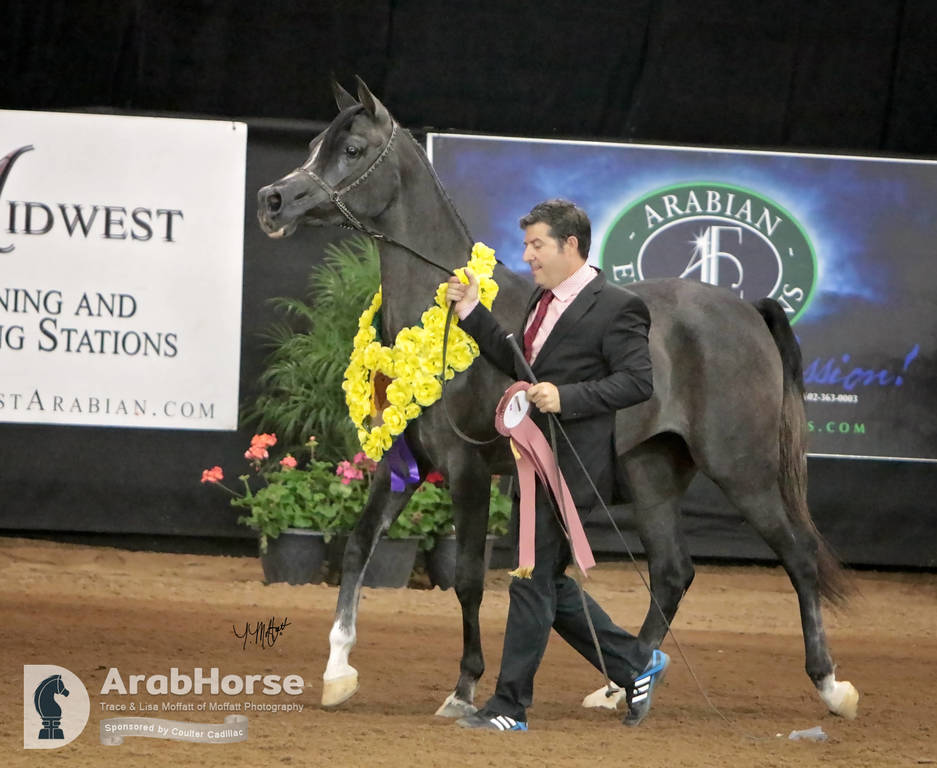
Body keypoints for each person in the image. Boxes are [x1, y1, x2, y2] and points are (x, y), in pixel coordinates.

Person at [445, 198, 667, 732]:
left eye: (536, 244)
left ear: (570, 245)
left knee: (530, 578)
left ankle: (508, 707)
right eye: (526, 245)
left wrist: (568, 396)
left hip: (573, 469)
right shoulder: (543, 300)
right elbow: (520, 362)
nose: (526, 256)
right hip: (533, 461)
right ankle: (636, 662)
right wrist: (472, 314)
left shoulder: (617, 305)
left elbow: (639, 382)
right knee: (546, 580)